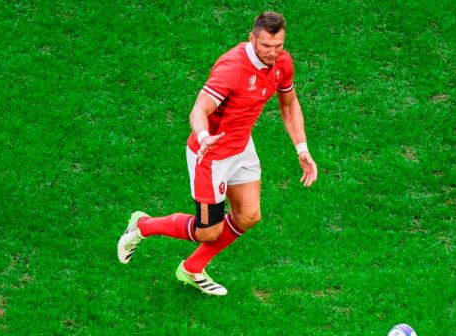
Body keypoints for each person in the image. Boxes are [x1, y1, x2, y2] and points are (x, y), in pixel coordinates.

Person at [116, 11, 318, 296]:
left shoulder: (283, 63)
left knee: (248, 215)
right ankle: (143, 225)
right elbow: (199, 109)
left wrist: (302, 149)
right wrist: (203, 136)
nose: (273, 53)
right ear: (252, 38)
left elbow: (289, 105)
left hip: (242, 147)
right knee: (207, 230)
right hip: (210, 154)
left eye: (278, 45)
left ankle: (192, 268)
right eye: (265, 46)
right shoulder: (232, 68)